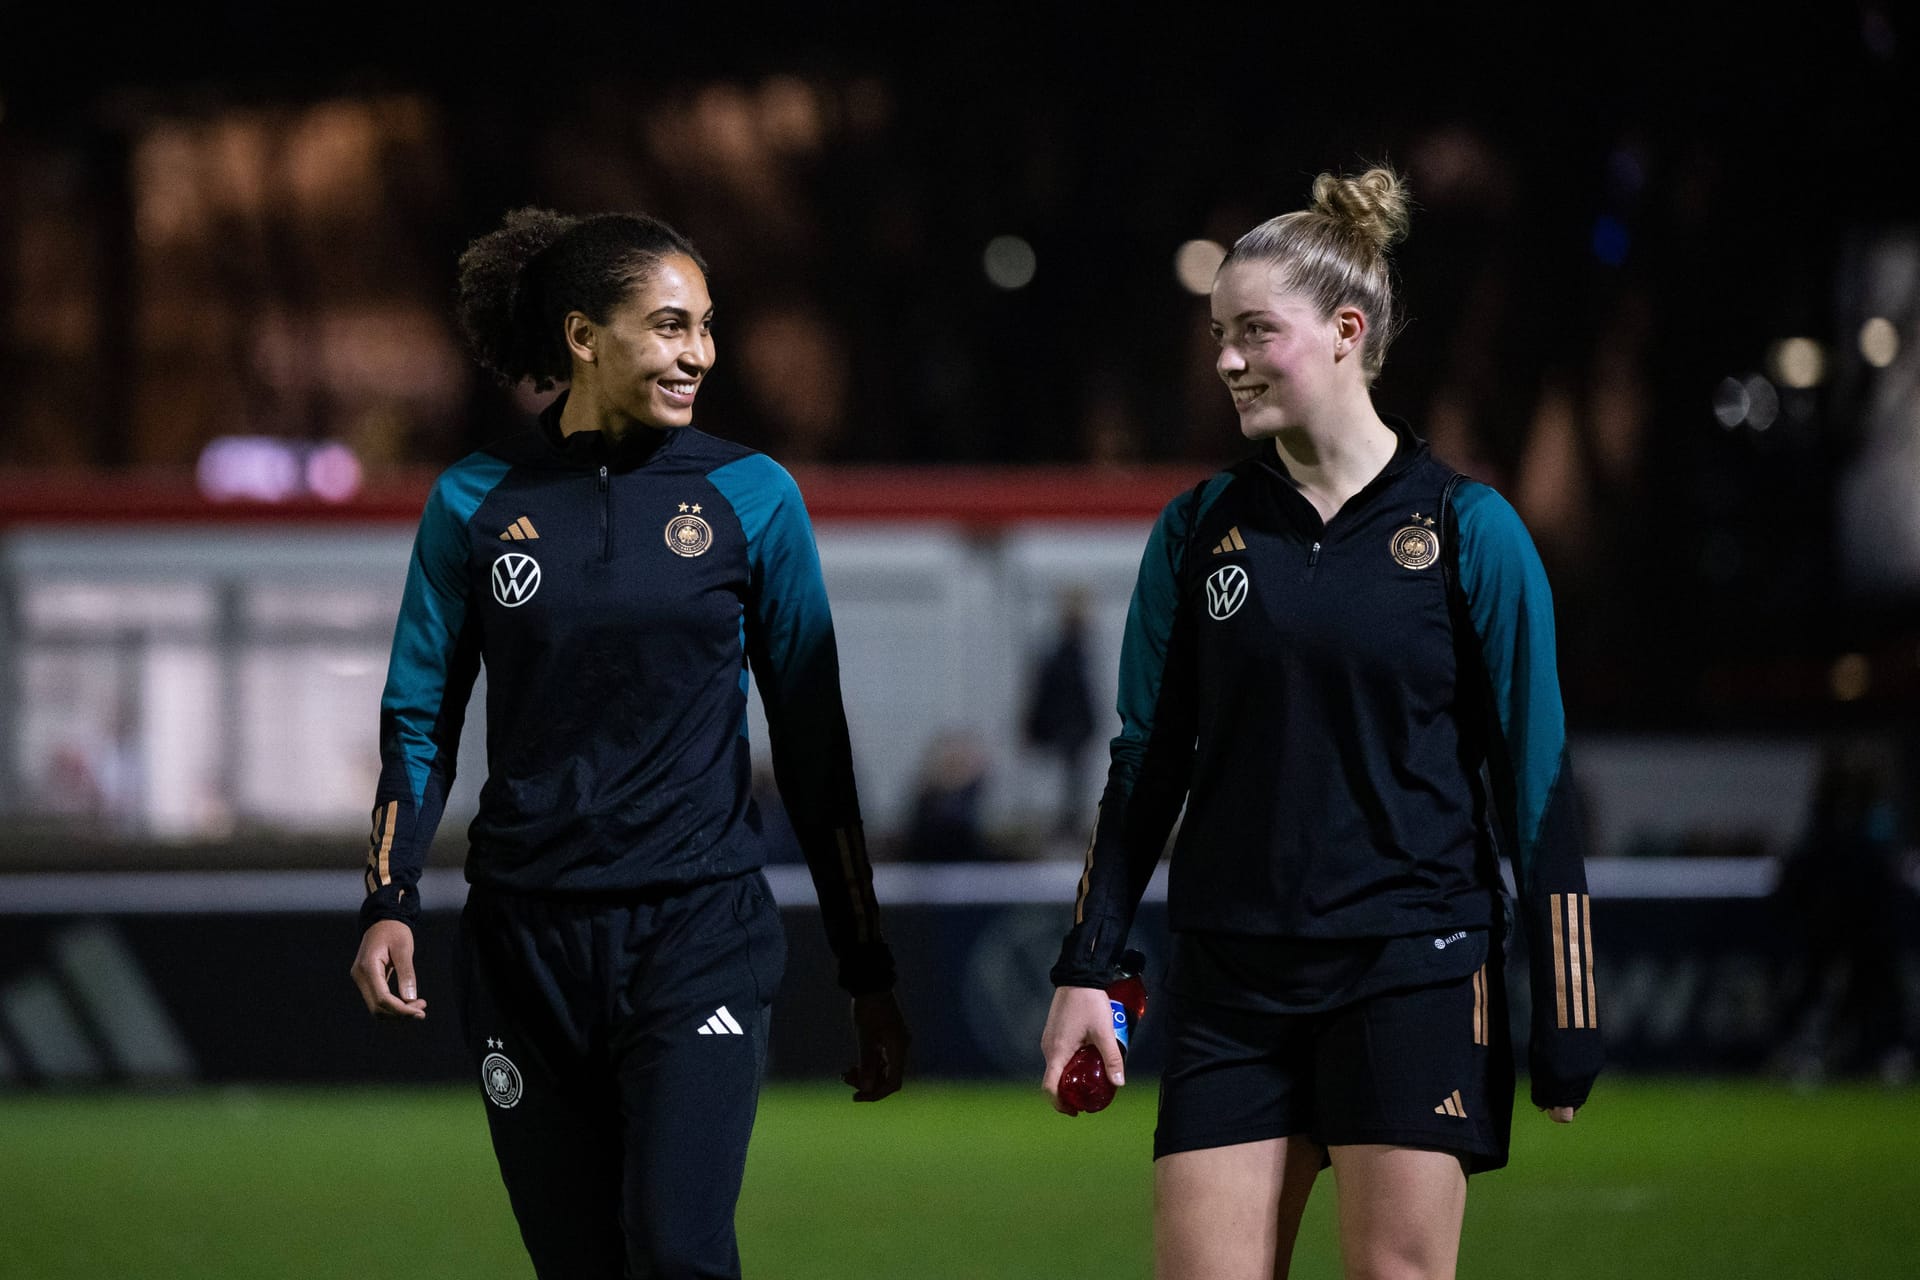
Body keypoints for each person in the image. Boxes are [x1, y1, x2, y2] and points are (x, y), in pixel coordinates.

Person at [1038, 167, 1602, 1280]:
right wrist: (1085, 966)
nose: (1228, 359)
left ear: (1347, 331)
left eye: (1255, 330)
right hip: (1231, 978)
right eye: (1219, 334)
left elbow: (1536, 778)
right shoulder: (1198, 532)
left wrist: (1566, 1004)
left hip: (1415, 962)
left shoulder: (1469, 529)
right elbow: (1144, 767)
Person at [347, 208, 910, 1279]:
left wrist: (865, 964)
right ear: (582, 336)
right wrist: (390, 893)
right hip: (524, 945)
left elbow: (814, 746)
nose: (699, 351)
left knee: (678, 1249)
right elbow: (419, 712)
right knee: (583, 1264)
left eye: (705, 326)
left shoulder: (755, 496)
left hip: (695, 928)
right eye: (668, 325)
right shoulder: (472, 498)